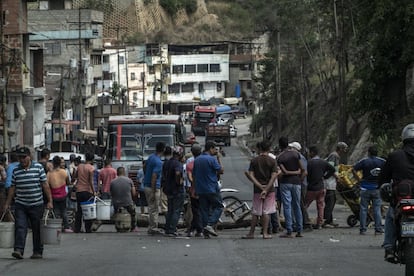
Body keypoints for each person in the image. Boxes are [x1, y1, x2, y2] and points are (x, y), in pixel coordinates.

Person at [4, 147, 53, 260]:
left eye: (24, 157)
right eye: (20, 158)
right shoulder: (16, 170)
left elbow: (45, 185)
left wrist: (50, 201)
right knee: (20, 226)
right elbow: (12, 188)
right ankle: (18, 250)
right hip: (21, 204)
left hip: (36, 204)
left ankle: (37, 251)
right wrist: (7, 203)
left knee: (37, 228)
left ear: (29, 156)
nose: (22, 160)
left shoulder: (38, 168)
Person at [378, 124, 414, 262]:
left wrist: (383, 185)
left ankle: (389, 248)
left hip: (401, 198)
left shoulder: (395, 155)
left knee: (390, 217)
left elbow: (383, 178)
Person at [242, 140, 278, 239]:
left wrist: (259, 186)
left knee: (256, 212)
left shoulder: (254, 160)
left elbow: (251, 175)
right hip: (270, 190)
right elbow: (273, 176)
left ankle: (251, 233)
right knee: (266, 212)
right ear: (269, 149)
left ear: (259, 149)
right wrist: (266, 189)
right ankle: (265, 233)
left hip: (257, 190)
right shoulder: (272, 161)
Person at [193, 141, 224, 238]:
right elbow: (221, 171)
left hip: (200, 188)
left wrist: (194, 188)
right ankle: (209, 225)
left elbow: (194, 175)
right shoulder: (211, 159)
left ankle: (206, 231)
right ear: (210, 148)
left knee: (204, 209)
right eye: (215, 149)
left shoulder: (197, 160)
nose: (216, 151)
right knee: (219, 206)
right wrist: (219, 158)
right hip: (211, 187)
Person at [352, 145, 385, 235]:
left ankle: (363, 229)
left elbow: (353, 169)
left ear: (369, 153)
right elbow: (388, 171)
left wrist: (359, 180)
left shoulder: (364, 161)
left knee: (363, 209)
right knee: (377, 209)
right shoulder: (382, 161)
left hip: (365, 188)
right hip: (377, 188)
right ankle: (378, 229)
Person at [277, 136, 305, 238]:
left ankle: (289, 230)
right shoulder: (296, 154)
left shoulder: (280, 157)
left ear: (280, 145)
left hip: (285, 183)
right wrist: (297, 174)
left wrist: (288, 172)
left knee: (287, 206)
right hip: (296, 182)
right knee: (297, 205)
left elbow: (284, 172)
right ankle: (300, 230)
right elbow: (302, 169)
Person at [305, 146, 336, 229]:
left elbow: (306, 174)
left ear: (312, 153)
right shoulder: (323, 162)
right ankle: (319, 224)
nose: (308, 154)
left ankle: (305, 221)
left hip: (311, 188)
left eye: (309, 152)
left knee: (305, 205)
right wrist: (325, 176)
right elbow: (332, 169)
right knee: (320, 206)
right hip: (321, 187)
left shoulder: (309, 163)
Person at [323, 141, 348, 228]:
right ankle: (326, 221)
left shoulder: (335, 156)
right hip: (329, 182)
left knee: (332, 201)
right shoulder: (334, 156)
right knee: (330, 201)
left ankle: (329, 220)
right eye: (344, 149)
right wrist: (337, 177)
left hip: (331, 182)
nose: (345, 151)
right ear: (340, 148)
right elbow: (331, 168)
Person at [143, 142, 165, 235]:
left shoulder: (151, 157)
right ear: (163, 149)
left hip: (146, 185)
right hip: (154, 187)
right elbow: (154, 176)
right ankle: (153, 227)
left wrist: (146, 176)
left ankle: (152, 226)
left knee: (151, 207)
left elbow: (144, 167)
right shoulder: (159, 162)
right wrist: (153, 190)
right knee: (154, 208)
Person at [162, 147, 185, 237]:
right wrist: (179, 181)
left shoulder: (166, 163)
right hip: (177, 190)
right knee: (176, 210)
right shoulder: (178, 164)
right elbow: (178, 173)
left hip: (168, 189)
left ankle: (167, 229)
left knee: (170, 210)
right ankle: (172, 229)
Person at [288, 142, 311, 231]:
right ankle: (301, 222)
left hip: (301, 184)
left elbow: (304, 172)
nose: (290, 150)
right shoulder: (296, 158)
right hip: (299, 183)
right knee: (298, 203)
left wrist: (299, 181)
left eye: (291, 148)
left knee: (300, 203)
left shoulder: (300, 158)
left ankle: (306, 223)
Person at [48, 155, 73, 233]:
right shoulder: (63, 172)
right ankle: (66, 226)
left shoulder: (49, 174)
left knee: (55, 212)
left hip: (53, 195)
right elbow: (68, 182)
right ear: (59, 163)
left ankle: (56, 226)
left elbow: (47, 185)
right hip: (63, 195)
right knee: (64, 211)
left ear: (53, 163)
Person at [110, 166, 138, 232]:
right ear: (124, 172)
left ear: (117, 173)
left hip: (116, 203)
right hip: (127, 202)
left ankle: (117, 225)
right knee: (133, 213)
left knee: (115, 212)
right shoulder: (129, 180)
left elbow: (111, 193)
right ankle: (133, 227)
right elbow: (133, 193)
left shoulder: (112, 182)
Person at [74, 152, 96, 233]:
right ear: (92, 159)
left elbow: (75, 176)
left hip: (79, 191)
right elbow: (91, 181)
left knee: (79, 210)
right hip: (87, 191)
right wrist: (94, 192)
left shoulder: (79, 166)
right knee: (88, 210)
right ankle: (87, 228)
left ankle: (77, 228)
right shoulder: (91, 168)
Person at [186, 143, 203, 237]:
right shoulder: (204, 161)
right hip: (205, 189)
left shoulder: (190, 164)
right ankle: (197, 229)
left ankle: (196, 229)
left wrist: (194, 184)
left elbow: (189, 178)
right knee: (199, 210)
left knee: (195, 210)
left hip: (194, 190)